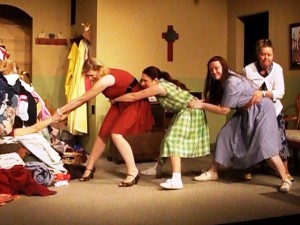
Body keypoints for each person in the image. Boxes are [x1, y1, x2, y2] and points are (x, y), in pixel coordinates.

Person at [190, 56, 292, 193]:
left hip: (261, 109)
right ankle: (213, 171)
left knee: (265, 145)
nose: (214, 72)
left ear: (223, 68)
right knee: (225, 135)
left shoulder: (231, 82)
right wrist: (202, 101)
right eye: (211, 69)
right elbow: (220, 100)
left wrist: (201, 105)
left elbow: (224, 110)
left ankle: (285, 179)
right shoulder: (223, 80)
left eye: (217, 68)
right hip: (245, 111)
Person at [52, 57, 154, 187]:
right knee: (103, 133)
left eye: (91, 75)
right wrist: (65, 112)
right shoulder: (102, 77)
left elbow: (82, 99)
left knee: (116, 134)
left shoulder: (106, 79)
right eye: (88, 76)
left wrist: (60, 111)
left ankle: (133, 171)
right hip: (120, 101)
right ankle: (89, 168)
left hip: (134, 102)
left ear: (98, 69)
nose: (90, 78)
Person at [113, 66, 210, 190]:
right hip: (183, 111)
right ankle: (157, 169)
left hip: (190, 111)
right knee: (165, 140)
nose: (142, 83)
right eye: (141, 80)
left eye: (145, 80)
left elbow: (134, 96)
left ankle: (176, 179)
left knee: (172, 141)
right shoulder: (161, 84)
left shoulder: (159, 87)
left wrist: (116, 100)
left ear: (155, 80)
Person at [243, 39, 293, 181]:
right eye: (263, 54)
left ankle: (285, 171)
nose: (266, 58)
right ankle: (248, 168)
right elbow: (244, 90)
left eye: (269, 54)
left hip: (275, 110)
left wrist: (263, 94)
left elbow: (280, 92)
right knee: (251, 138)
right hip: (255, 112)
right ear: (258, 55)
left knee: (280, 140)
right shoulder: (248, 70)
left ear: (273, 55)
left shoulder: (277, 69)